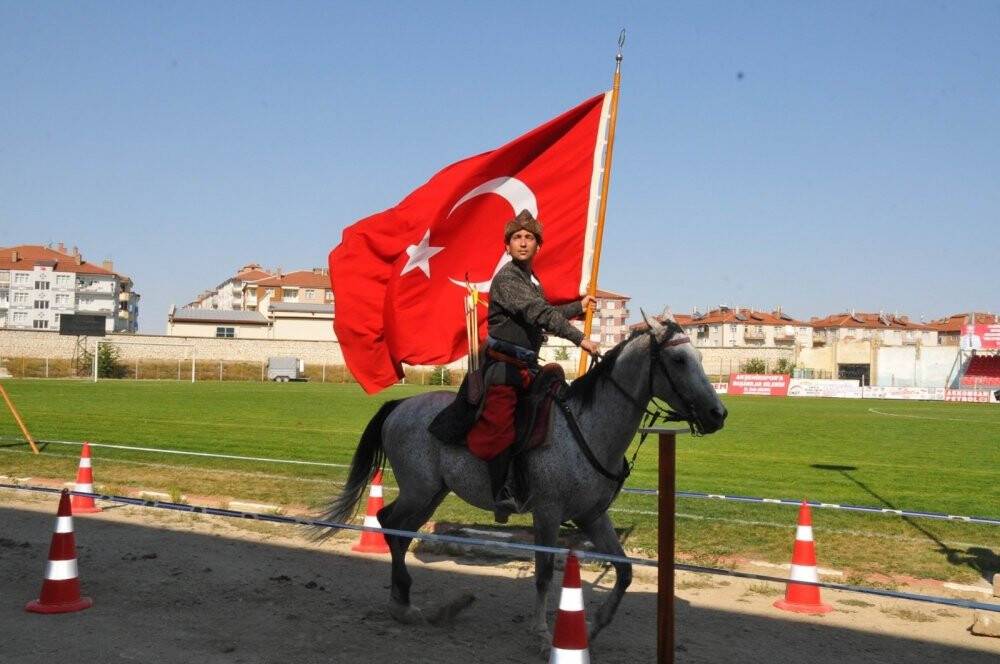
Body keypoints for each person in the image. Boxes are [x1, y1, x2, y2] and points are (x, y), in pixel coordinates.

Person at [467, 209, 600, 521]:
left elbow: (543, 311)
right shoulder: (507, 279)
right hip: (503, 369)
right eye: (517, 238)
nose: (523, 242)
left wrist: (576, 307)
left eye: (529, 238)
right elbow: (537, 314)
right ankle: (501, 493)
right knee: (501, 426)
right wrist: (579, 339)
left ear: (538, 245)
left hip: (528, 368)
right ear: (507, 246)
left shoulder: (531, 280)